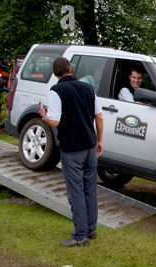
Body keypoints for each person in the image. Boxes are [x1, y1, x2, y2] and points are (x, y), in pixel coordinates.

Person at [39, 57, 104, 247]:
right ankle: (90, 229)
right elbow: (98, 117)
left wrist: (44, 116)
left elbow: (55, 121)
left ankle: (80, 236)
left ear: (56, 73)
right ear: (70, 68)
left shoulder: (57, 91)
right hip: (90, 147)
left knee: (76, 191)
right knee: (89, 188)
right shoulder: (88, 88)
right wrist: (99, 141)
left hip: (72, 148)